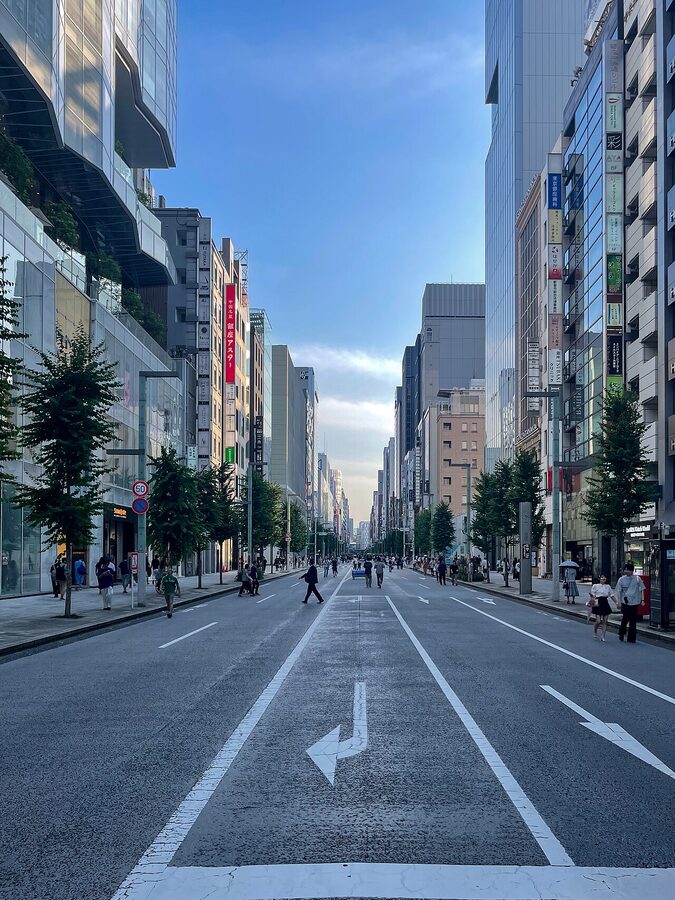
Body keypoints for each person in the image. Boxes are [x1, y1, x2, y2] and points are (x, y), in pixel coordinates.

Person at [615, 562, 644, 644]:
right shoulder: (621, 579)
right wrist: (618, 602)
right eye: (625, 569)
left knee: (633, 620)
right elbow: (618, 591)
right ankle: (622, 632)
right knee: (625, 618)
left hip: (634, 602)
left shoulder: (637, 579)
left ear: (632, 571)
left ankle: (631, 638)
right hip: (625, 602)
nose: (626, 571)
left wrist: (642, 600)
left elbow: (642, 589)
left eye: (628, 570)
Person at [588, 575, 615, 641]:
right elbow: (592, 595)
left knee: (605, 621)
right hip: (598, 602)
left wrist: (617, 602)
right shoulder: (595, 586)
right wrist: (591, 598)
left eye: (605, 577)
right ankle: (595, 630)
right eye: (602, 577)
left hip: (605, 602)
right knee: (598, 621)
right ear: (599, 579)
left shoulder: (608, 586)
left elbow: (612, 595)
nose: (603, 579)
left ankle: (603, 636)